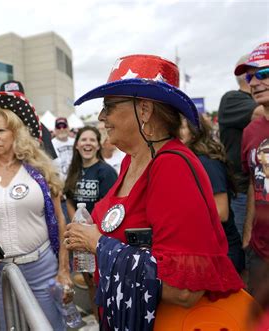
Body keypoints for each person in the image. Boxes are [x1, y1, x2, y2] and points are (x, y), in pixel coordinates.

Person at [63, 54, 244, 330]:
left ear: (144, 110)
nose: (101, 117)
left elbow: (184, 289)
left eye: (109, 106)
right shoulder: (130, 161)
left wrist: (98, 244)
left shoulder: (172, 166)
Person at [0, 91, 72, 330]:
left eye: (1, 130)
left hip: (42, 269)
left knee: (50, 326)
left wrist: (64, 269)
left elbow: (61, 222)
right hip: (1, 274)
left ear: (16, 133)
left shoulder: (41, 172)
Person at [63, 125, 117, 320]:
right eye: (83, 140)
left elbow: (111, 209)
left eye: (92, 140)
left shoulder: (106, 172)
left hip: (99, 238)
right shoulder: (74, 170)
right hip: (80, 239)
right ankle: (98, 321)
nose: (87, 143)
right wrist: (75, 225)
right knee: (90, 285)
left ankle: (108, 321)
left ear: (98, 145)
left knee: (103, 285)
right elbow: (69, 198)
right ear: (77, 145)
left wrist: (89, 230)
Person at [180, 115, 245, 273]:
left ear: (194, 131)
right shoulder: (191, 159)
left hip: (223, 253)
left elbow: (221, 212)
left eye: (181, 127)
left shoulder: (207, 163)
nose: (175, 132)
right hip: (209, 251)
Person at [218, 54, 262, 237]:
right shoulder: (232, 99)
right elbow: (261, 113)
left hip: (260, 188)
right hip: (244, 192)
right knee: (250, 248)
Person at [237, 42, 269, 294]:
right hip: (260, 250)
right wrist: (248, 235)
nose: (255, 82)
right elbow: (252, 183)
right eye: (251, 76)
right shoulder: (250, 132)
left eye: (264, 74)